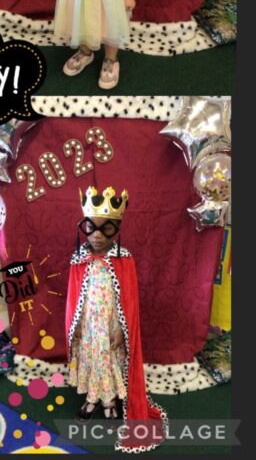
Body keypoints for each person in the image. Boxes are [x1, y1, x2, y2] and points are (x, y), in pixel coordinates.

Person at [65, 186, 166, 452]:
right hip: (88, 326)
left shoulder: (124, 259)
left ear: (116, 229)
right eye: (91, 228)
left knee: (108, 359)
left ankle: (109, 401)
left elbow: (130, 300)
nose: (97, 236)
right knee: (92, 358)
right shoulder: (79, 258)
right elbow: (73, 297)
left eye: (106, 229)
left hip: (111, 326)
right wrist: (74, 325)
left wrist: (123, 327)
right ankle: (92, 398)